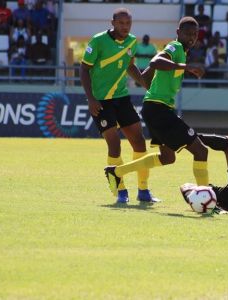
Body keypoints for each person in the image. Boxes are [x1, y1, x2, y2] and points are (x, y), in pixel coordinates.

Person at [104, 17, 209, 198]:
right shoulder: (175, 47)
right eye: (187, 33)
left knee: (167, 157)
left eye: (194, 34)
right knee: (201, 151)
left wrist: (145, 78)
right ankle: (208, 199)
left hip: (156, 108)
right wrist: (186, 67)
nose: (191, 37)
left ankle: (117, 172)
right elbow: (156, 61)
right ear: (178, 33)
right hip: (158, 109)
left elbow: (148, 75)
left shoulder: (181, 51)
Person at [80, 8, 158, 203]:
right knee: (114, 145)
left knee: (139, 141)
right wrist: (90, 99)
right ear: (112, 22)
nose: (125, 27)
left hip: (122, 98)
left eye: (128, 23)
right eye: (121, 23)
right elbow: (83, 68)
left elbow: (129, 65)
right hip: (101, 101)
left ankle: (143, 191)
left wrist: (145, 83)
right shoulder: (98, 41)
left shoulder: (132, 41)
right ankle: (121, 191)